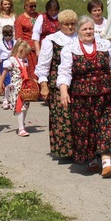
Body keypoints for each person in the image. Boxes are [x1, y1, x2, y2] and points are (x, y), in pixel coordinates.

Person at [57, 15, 111, 177]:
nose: (88, 32)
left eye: (91, 29)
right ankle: (92, 160)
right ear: (78, 31)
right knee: (86, 129)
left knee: (106, 126)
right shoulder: (70, 48)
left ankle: (107, 164)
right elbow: (64, 72)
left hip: (106, 94)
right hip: (82, 96)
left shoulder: (104, 44)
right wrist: (64, 92)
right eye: (85, 29)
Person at [35, 9, 78, 159]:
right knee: (63, 118)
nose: (70, 27)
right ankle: (65, 151)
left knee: (77, 117)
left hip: (78, 83)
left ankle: (80, 149)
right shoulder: (51, 40)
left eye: (73, 24)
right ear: (60, 24)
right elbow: (43, 65)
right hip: (56, 83)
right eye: (67, 24)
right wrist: (44, 85)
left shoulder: (79, 38)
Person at [0, 40, 34, 137]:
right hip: (16, 87)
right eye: (25, 54)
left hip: (25, 86)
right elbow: (4, 74)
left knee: (25, 106)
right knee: (20, 107)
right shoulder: (11, 61)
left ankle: (22, 124)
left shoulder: (24, 61)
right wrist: (0, 85)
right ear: (21, 50)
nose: (26, 56)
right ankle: (21, 128)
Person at [15, 0, 39, 79]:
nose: (33, 8)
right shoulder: (20, 19)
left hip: (40, 47)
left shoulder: (39, 16)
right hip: (28, 50)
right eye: (31, 6)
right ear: (25, 6)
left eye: (34, 6)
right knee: (31, 73)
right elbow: (19, 37)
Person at [0, 25, 15, 110]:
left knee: (13, 81)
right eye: (5, 35)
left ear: (12, 35)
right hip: (4, 63)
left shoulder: (15, 42)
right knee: (7, 81)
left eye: (9, 35)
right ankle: (5, 99)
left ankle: (12, 99)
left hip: (13, 62)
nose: (7, 37)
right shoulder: (0, 43)